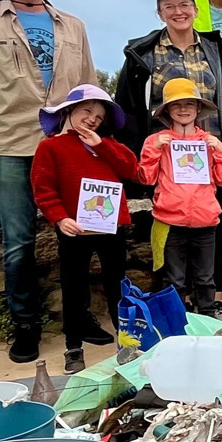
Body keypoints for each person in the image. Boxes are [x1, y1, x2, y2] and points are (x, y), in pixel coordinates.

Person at [0, 0, 97, 363]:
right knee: (18, 240)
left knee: (80, 234)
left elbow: (88, 87)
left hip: (66, 143)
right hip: (10, 142)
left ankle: (80, 317)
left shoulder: (72, 25)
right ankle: (26, 325)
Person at [30, 85, 139, 371]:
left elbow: (131, 169)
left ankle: (126, 341)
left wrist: (101, 145)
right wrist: (59, 218)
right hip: (74, 230)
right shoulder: (50, 146)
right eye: (87, 111)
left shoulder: (110, 145)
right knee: (73, 287)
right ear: (69, 111)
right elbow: (43, 189)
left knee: (118, 284)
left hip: (111, 227)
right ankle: (73, 346)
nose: (92, 119)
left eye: (99, 116)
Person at [138, 77, 222, 314]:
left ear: (198, 108)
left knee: (205, 279)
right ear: (167, 110)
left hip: (205, 221)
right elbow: (146, 178)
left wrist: (221, 152)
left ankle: (207, 324)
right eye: (176, 104)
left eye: (189, 104)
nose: (183, 110)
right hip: (170, 222)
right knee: (174, 281)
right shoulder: (154, 142)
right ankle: (176, 329)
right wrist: (153, 150)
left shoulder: (209, 142)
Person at [113, 0, 222, 146]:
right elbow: (127, 110)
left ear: (196, 11)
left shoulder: (219, 54)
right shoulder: (141, 56)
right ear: (160, 14)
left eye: (184, 5)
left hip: (212, 155)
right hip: (161, 158)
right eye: (169, 7)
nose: (178, 12)